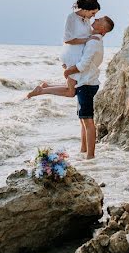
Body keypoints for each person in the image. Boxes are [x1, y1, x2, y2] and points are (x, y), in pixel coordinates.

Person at [28, 16, 115, 159]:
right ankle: (83, 151)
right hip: (85, 83)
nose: (96, 19)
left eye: (99, 19)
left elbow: (83, 64)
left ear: (102, 29)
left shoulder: (94, 42)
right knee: (83, 121)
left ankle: (90, 157)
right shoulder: (92, 39)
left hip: (87, 85)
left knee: (88, 121)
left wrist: (68, 71)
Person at [59, 0, 100, 96]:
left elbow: (88, 35)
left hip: (81, 57)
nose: (94, 16)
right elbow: (68, 40)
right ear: (85, 10)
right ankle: (42, 90)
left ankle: (44, 87)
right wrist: (88, 40)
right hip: (72, 56)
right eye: (93, 13)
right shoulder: (71, 18)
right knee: (71, 91)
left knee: (74, 89)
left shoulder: (86, 20)